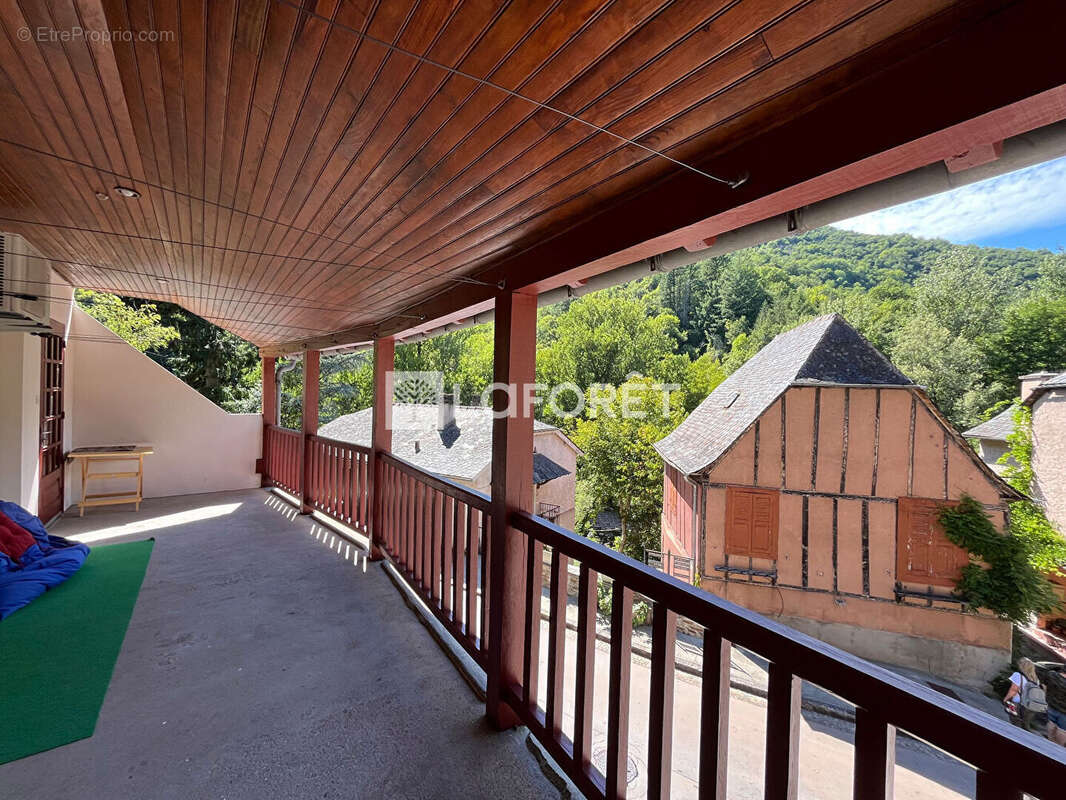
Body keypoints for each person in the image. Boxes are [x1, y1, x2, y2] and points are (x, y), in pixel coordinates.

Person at [1004, 658, 1046, 731]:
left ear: (1021, 666)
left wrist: (1005, 699)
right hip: (1030, 707)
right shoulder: (1036, 680)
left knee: (1015, 725)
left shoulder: (1018, 675)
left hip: (1016, 704)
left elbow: (1013, 690)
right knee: (1024, 726)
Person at [1041, 664, 1066, 746]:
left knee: (1051, 726)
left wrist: (1048, 697)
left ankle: (1049, 746)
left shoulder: (1051, 674)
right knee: (1062, 733)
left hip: (1051, 706)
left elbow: (1044, 685)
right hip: (1064, 713)